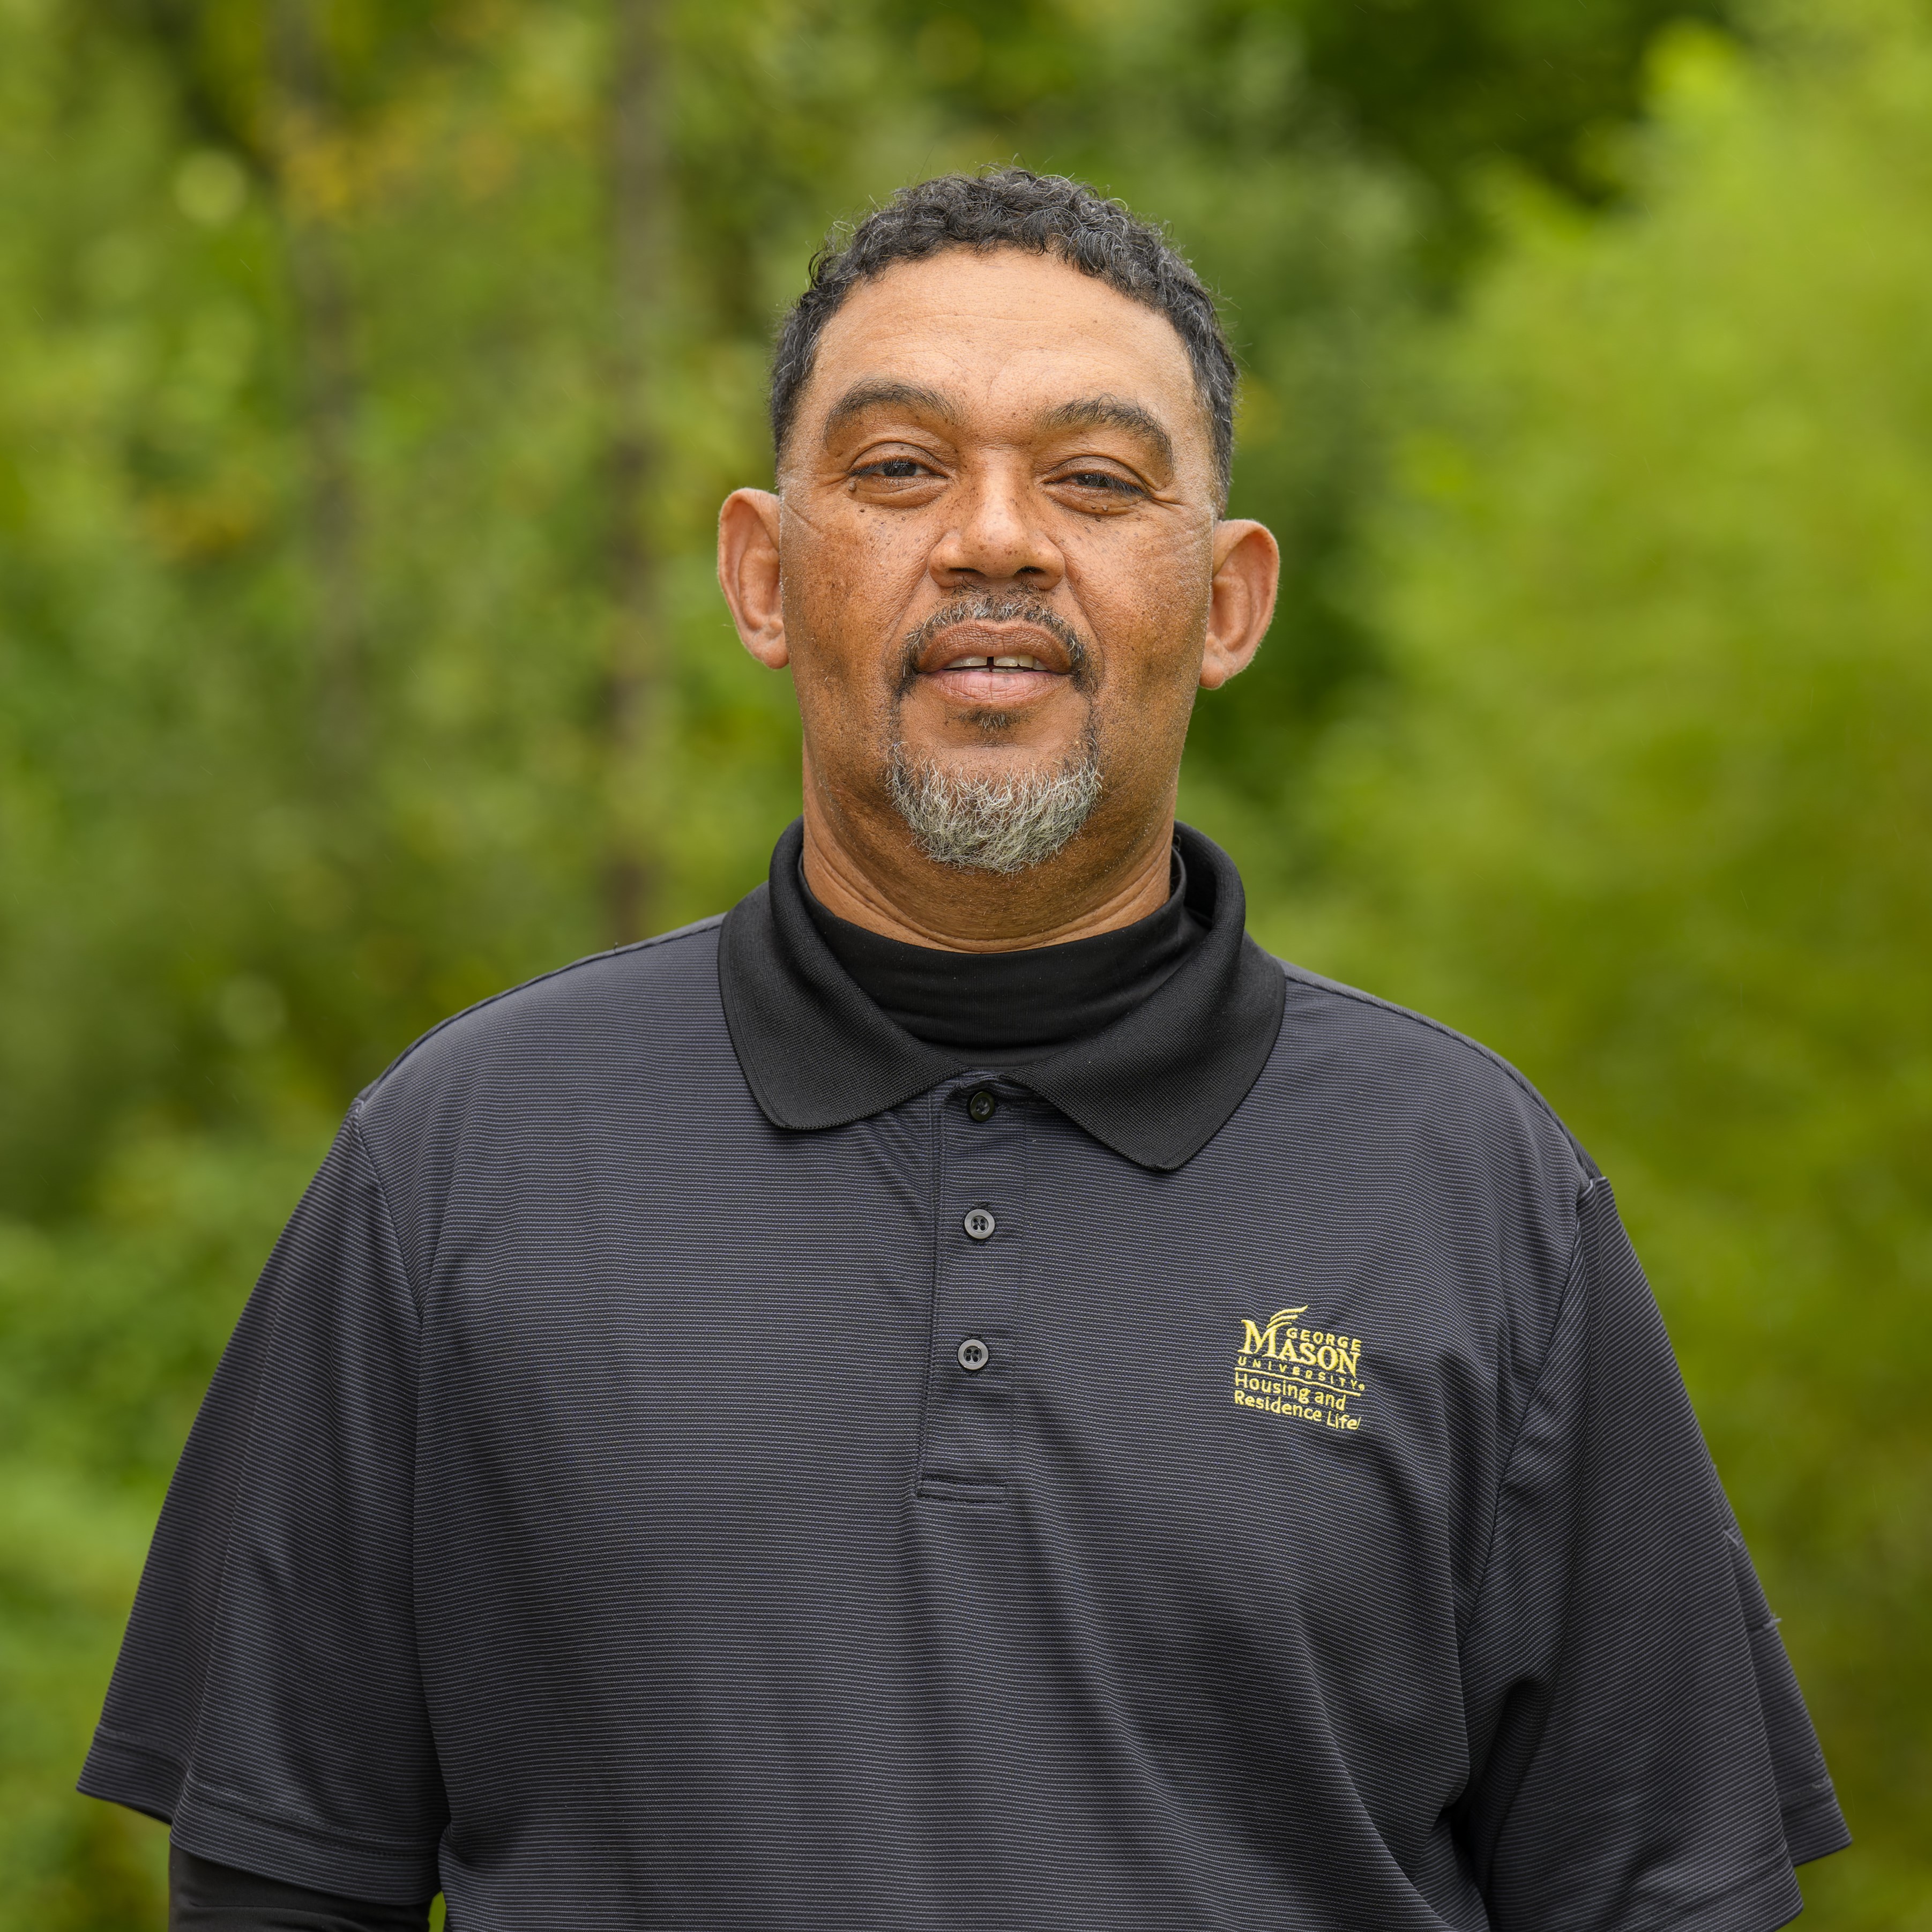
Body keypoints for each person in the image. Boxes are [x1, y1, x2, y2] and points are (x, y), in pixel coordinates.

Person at [83, 168, 1847, 1931]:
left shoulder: (1478, 1197)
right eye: (901, 468)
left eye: (1092, 480)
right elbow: (276, 1890)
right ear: (765, 577)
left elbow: (1668, 1895)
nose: (995, 539)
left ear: (1228, 603)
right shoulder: (459, 1169)